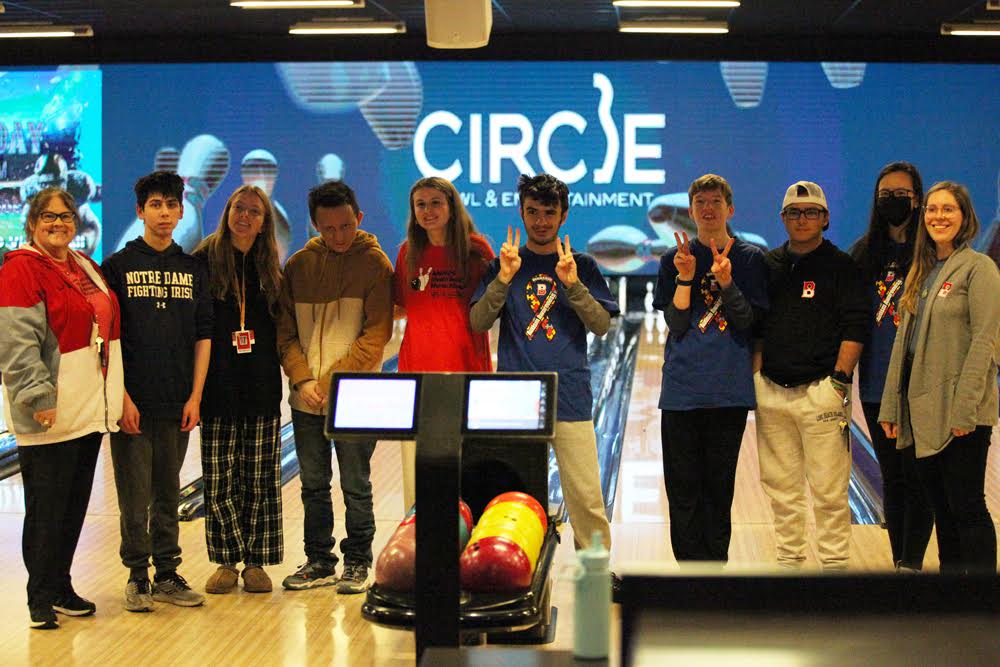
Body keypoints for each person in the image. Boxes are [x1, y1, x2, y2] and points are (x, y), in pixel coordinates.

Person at [470, 173, 619, 566]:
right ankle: (515, 571)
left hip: (569, 393)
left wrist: (572, 285)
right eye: (532, 212)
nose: (540, 221)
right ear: (521, 212)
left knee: (586, 496)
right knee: (515, 495)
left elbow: (602, 324)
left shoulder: (582, 265)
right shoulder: (503, 264)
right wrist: (502, 279)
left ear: (563, 215)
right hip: (516, 399)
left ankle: (596, 573)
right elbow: (478, 322)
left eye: (548, 213)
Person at [0, 187, 124, 629]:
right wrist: (37, 398)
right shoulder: (20, 270)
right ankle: (38, 597)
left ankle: (60, 585)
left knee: (73, 505)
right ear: (32, 222)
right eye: (48, 217)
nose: (58, 224)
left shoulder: (83, 265)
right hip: (51, 410)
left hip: (88, 406)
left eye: (66, 216)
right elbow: (17, 344)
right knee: (47, 506)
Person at [102, 172, 212, 612]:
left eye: (171, 204)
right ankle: (137, 577)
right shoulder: (118, 266)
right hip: (133, 402)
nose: (164, 213)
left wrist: (196, 396)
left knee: (168, 491)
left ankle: (167, 573)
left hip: (177, 400)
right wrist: (122, 398)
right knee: (134, 496)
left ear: (181, 210)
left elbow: (203, 334)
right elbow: (110, 340)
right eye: (155, 205)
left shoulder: (193, 268)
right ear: (140, 211)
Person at [879, 181, 1000, 574]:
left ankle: (983, 600)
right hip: (923, 411)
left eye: (948, 209)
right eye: (932, 209)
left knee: (967, 506)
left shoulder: (979, 269)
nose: (938, 217)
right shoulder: (924, 271)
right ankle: (955, 598)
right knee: (944, 511)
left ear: (964, 217)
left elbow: (985, 341)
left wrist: (966, 410)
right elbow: (903, 345)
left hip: (962, 414)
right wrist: (891, 405)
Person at [278, 181, 392, 593]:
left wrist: (328, 382)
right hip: (306, 397)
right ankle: (319, 560)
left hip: (357, 398)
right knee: (312, 484)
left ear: (358, 218)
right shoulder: (298, 267)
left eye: (346, 226)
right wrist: (302, 379)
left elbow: (375, 337)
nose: (339, 236)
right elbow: (285, 335)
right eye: (329, 229)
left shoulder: (376, 265)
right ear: (315, 226)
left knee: (356, 484)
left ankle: (358, 561)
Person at [753, 181, 869, 570]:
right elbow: (755, 326)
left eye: (811, 212)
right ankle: (789, 567)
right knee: (781, 490)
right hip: (771, 391)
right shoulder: (768, 265)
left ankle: (834, 572)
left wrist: (838, 382)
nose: (802, 220)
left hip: (822, 391)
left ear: (825, 219)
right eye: (794, 213)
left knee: (830, 492)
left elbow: (856, 327)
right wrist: (757, 378)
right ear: (783, 219)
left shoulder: (842, 267)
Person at [652, 174, 768, 562]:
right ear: (691, 211)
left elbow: (748, 323)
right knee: (682, 491)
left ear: (729, 209)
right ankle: (689, 580)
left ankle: (714, 575)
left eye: (715, 201)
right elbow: (678, 324)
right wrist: (686, 279)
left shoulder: (750, 259)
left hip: (728, 394)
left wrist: (728, 284)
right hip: (682, 392)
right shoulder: (674, 260)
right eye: (700, 202)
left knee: (719, 490)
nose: (707, 208)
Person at [194, 185, 285, 593]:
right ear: (227, 211)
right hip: (216, 388)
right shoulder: (203, 260)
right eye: (238, 208)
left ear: (264, 222)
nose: (244, 216)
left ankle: (256, 562)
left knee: (260, 480)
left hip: (261, 388)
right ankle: (227, 561)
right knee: (218, 481)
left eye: (254, 211)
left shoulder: (270, 269)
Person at [849, 162, 934, 571]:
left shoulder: (934, 254)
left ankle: (911, 567)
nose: (893, 201)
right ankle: (900, 564)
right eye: (886, 195)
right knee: (893, 479)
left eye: (901, 194)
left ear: (917, 199)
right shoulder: (865, 254)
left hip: (921, 387)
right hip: (876, 385)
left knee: (918, 479)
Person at [393, 176, 495, 511]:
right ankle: (419, 540)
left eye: (436, 202)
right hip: (417, 373)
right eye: (420, 204)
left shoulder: (476, 249)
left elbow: (492, 308)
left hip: (467, 370)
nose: (428, 211)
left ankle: (468, 537)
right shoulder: (407, 253)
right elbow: (399, 307)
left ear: (451, 206)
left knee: (467, 466)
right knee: (421, 470)